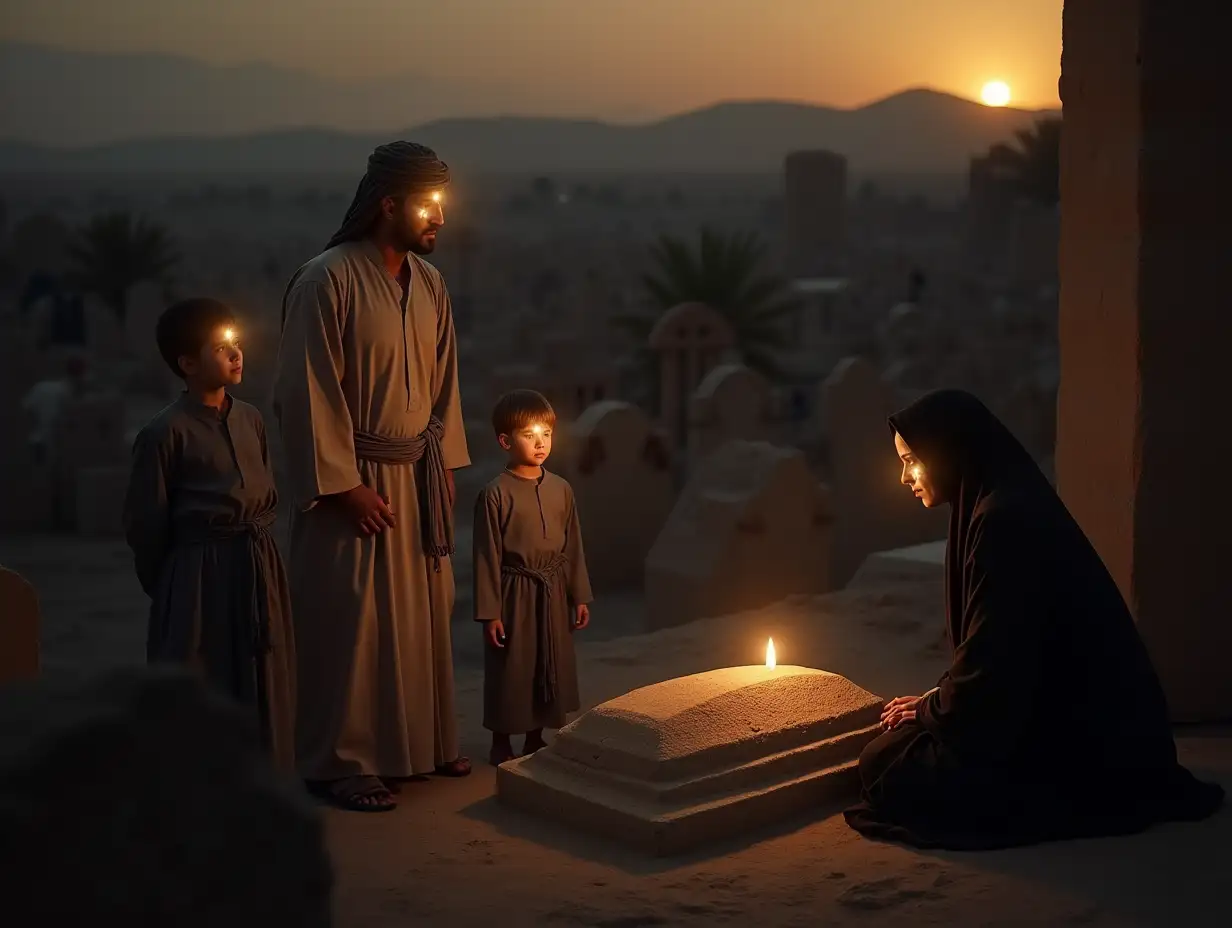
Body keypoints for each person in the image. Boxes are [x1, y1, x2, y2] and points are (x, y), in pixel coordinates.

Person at [843, 389, 1224, 849]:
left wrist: (931, 710)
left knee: (885, 761)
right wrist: (936, 700)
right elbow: (1002, 654)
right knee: (902, 749)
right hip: (1086, 728)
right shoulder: (999, 507)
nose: (905, 476)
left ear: (948, 450)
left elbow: (995, 675)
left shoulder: (1004, 524)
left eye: (912, 460)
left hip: (1086, 748)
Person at [273, 141, 470, 812]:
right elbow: (306, 393)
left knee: (420, 619)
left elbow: (446, 387)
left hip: (417, 478)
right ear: (388, 204)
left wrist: (442, 463)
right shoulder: (325, 280)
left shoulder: (432, 285)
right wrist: (342, 484)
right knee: (349, 623)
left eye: (442, 206)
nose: (438, 219)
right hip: (350, 485)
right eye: (427, 205)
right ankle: (338, 761)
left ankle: (417, 747)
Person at [122, 298, 296, 769]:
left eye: (236, 343)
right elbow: (146, 523)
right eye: (221, 347)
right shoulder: (164, 432)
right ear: (188, 363)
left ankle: (267, 787)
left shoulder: (251, 418)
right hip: (199, 572)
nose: (236, 353)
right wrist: (175, 586)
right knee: (204, 675)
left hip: (256, 562)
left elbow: (266, 489)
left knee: (263, 672)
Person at [472, 390, 593, 766]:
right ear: (505, 441)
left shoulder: (561, 489)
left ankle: (535, 736)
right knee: (512, 666)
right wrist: (490, 612)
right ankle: (501, 739)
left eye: (546, 434)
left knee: (548, 658)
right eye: (529, 435)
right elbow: (486, 556)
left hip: (553, 589)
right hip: (514, 591)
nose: (540, 443)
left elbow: (573, 546)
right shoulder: (495, 494)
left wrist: (579, 595)